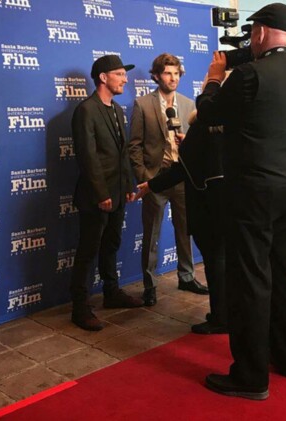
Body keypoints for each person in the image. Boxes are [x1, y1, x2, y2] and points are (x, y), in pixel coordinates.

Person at [196, 3, 286, 400]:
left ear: (262, 32)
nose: (249, 40)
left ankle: (250, 376)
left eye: (252, 33)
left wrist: (214, 79)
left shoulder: (248, 75)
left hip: (254, 191)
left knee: (250, 278)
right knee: (284, 274)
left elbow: (209, 112)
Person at [135, 109, 228, 334]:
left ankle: (220, 318)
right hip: (228, 206)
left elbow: (181, 170)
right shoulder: (227, 128)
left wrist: (150, 185)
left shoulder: (201, 129)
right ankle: (227, 313)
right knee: (223, 263)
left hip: (209, 208)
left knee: (216, 265)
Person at [70, 55, 144, 331]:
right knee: (88, 251)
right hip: (95, 196)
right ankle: (80, 308)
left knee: (111, 244)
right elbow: (87, 157)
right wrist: (102, 194)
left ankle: (111, 293)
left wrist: (126, 187)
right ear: (103, 77)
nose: (125, 79)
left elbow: (121, 154)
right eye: (119, 74)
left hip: (117, 192)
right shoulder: (86, 110)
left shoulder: (116, 109)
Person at [129, 53, 208, 307]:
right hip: (156, 179)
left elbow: (196, 145)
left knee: (186, 230)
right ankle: (149, 285)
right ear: (156, 76)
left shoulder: (188, 104)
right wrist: (145, 178)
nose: (173, 78)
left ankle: (186, 276)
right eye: (167, 73)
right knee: (151, 234)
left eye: (176, 73)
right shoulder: (142, 104)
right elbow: (135, 147)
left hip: (182, 177)